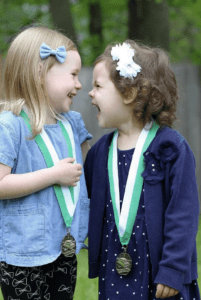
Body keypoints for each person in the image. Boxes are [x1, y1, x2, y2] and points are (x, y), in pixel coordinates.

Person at [0, 25, 92, 300]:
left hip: (65, 248)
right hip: (21, 255)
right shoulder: (9, 126)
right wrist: (53, 174)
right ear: (40, 74)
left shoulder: (72, 124)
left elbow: (93, 167)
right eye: (73, 75)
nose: (79, 84)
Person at [84, 40, 200, 300]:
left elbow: (184, 214)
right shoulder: (99, 152)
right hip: (115, 271)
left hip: (162, 277)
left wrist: (172, 270)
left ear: (129, 93)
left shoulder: (171, 148)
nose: (90, 93)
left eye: (98, 86)